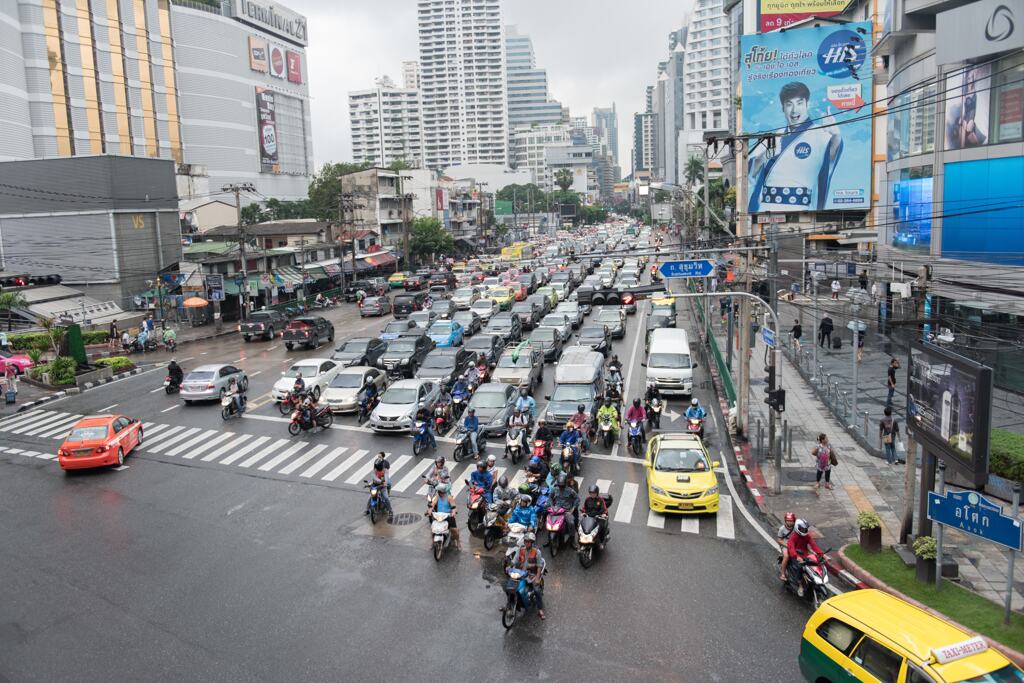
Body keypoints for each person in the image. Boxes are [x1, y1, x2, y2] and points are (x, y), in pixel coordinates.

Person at [747, 81, 843, 212]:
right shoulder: (773, 136)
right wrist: (763, 157)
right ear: (782, 108)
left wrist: (836, 135)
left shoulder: (822, 133)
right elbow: (749, 173)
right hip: (766, 209)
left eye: (799, 103)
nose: (794, 110)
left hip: (800, 209)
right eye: (789, 104)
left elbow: (831, 155)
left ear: (807, 104)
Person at [782, 519, 824, 594]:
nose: (804, 530)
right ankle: (800, 585)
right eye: (802, 529)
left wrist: (821, 554)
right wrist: (797, 557)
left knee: (814, 564)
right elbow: (791, 548)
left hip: (804, 554)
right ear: (797, 528)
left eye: (805, 529)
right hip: (795, 555)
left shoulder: (807, 536)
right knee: (800, 567)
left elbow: (813, 545)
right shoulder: (793, 537)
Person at [512, 532, 546, 619]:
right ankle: (510, 604)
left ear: (532, 542)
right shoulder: (520, 549)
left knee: (537, 590)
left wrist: (537, 578)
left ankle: (540, 609)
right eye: (526, 541)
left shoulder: (537, 552)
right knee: (511, 586)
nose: (527, 543)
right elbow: (514, 560)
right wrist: (509, 565)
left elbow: (539, 566)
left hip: (532, 574)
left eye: (529, 541)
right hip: (521, 572)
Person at [428, 482, 460, 550]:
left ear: (441, 491)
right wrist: (430, 509)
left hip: (448, 516)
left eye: (439, 491)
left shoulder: (449, 497)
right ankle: (432, 542)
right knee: (433, 529)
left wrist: (453, 512)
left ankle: (458, 542)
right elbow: (433, 503)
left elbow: (453, 506)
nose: (438, 492)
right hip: (439, 516)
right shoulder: (437, 496)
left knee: (455, 530)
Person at [777, 512, 797, 580]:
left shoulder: (796, 528)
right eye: (788, 521)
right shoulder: (782, 529)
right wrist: (787, 546)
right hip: (785, 544)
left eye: (791, 521)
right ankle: (782, 574)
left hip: (794, 543)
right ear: (785, 521)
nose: (789, 522)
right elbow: (779, 540)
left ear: (794, 521)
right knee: (786, 556)